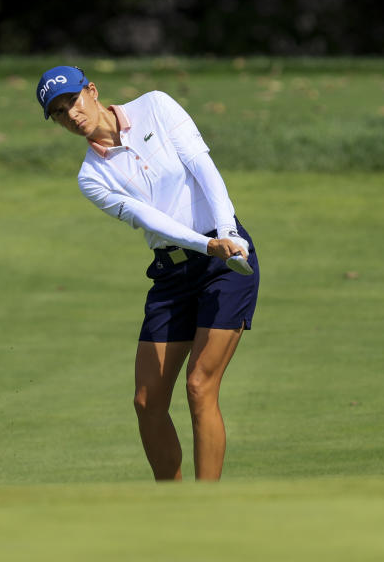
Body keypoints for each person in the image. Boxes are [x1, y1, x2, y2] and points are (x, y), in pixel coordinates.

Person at [36, 66, 260, 481]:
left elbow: (201, 165)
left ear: (92, 90)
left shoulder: (155, 106)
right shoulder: (92, 177)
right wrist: (205, 243)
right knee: (146, 402)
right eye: (60, 113)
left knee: (199, 386)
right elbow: (150, 219)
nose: (72, 115)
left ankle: (207, 508)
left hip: (225, 263)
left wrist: (226, 232)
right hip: (174, 273)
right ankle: (171, 509)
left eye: (73, 101)